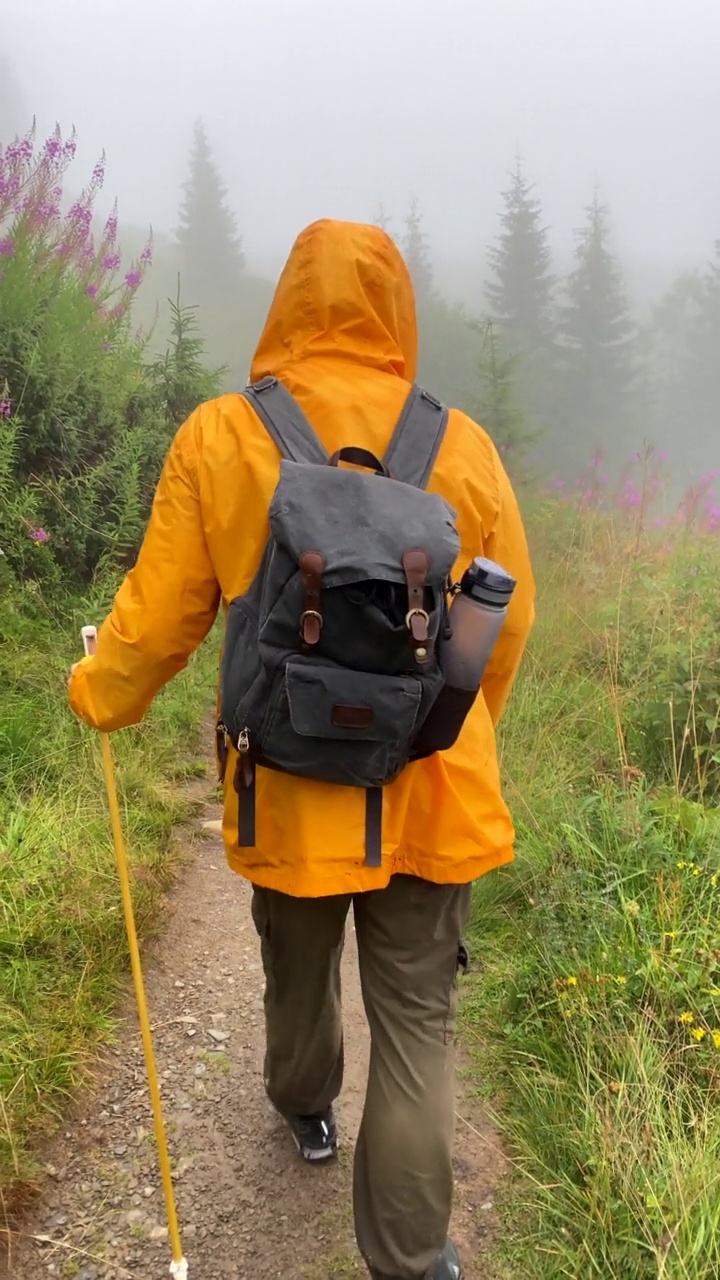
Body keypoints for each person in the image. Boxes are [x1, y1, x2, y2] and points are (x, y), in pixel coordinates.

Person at [68, 220, 535, 1280]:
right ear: (397, 313)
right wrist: (452, 732)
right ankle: (413, 1257)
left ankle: (306, 1106)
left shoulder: (223, 435)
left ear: (287, 304)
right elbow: (503, 630)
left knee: (297, 959)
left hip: (289, 776)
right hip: (432, 781)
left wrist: (100, 690)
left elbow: (160, 615)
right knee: (417, 1021)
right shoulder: (462, 446)